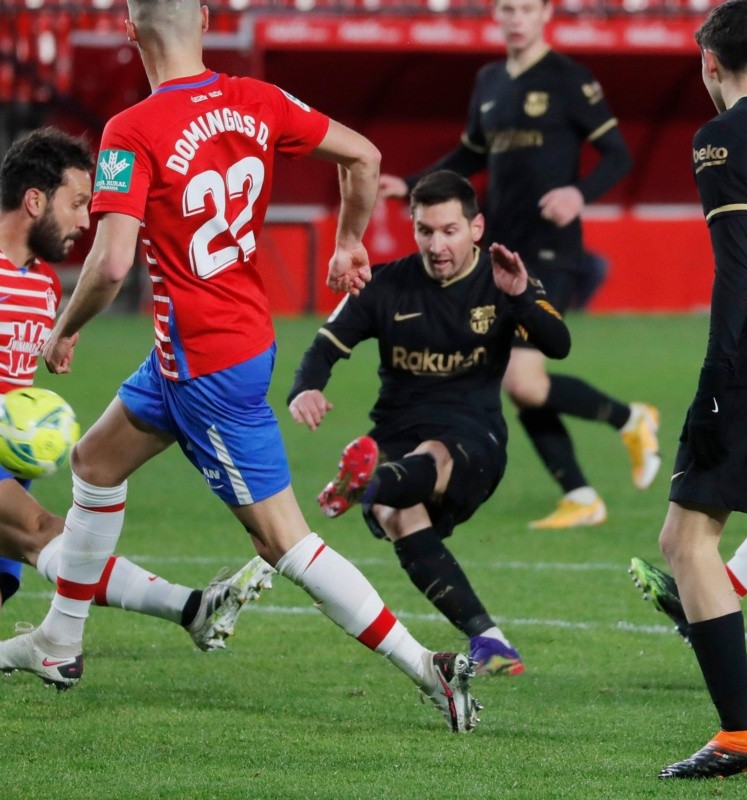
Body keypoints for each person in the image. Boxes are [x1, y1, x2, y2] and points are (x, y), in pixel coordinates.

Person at [0, 0, 480, 733]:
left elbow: (112, 261)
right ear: (206, 19)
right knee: (94, 464)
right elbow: (364, 156)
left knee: (281, 540)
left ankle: (428, 668)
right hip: (207, 345)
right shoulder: (256, 100)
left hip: (206, 367)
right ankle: (60, 642)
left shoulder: (132, 130)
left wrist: (64, 331)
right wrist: (350, 241)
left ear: (131, 33)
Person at [378, 0, 660, 530]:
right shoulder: (489, 80)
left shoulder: (569, 78)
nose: (515, 18)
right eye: (507, 8)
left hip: (553, 249)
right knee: (515, 379)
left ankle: (631, 419)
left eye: (525, 9)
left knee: (523, 381)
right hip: (503, 253)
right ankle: (581, 493)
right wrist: (413, 183)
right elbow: (469, 156)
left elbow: (618, 155)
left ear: (545, 13)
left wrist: (579, 193)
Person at [288, 170, 570, 676]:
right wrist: (305, 388)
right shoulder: (388, 284)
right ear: (413, 228)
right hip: (395, 431)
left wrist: (523, 295)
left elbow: (558, 344)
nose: (437, 245)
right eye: (425, 231)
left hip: (473, 437)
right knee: (401, 517)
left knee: (432, 457)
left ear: (476, 228)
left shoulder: (502, 277)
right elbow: (326, 344)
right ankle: (490, 639)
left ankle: (366, 483)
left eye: (449, 230)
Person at [0, 126, 271, 652]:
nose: (86, 221)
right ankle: (189, 608)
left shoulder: (43, 285)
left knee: (31, 555)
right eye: (78, 204)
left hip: (14, 466)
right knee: (43, 534)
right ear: (35, 200)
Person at [655, 0, 747, 778]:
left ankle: (742, 731)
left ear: (709, 64)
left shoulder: (720, 139)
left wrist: (715, 380)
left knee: (685, 541)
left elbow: (735, 271)